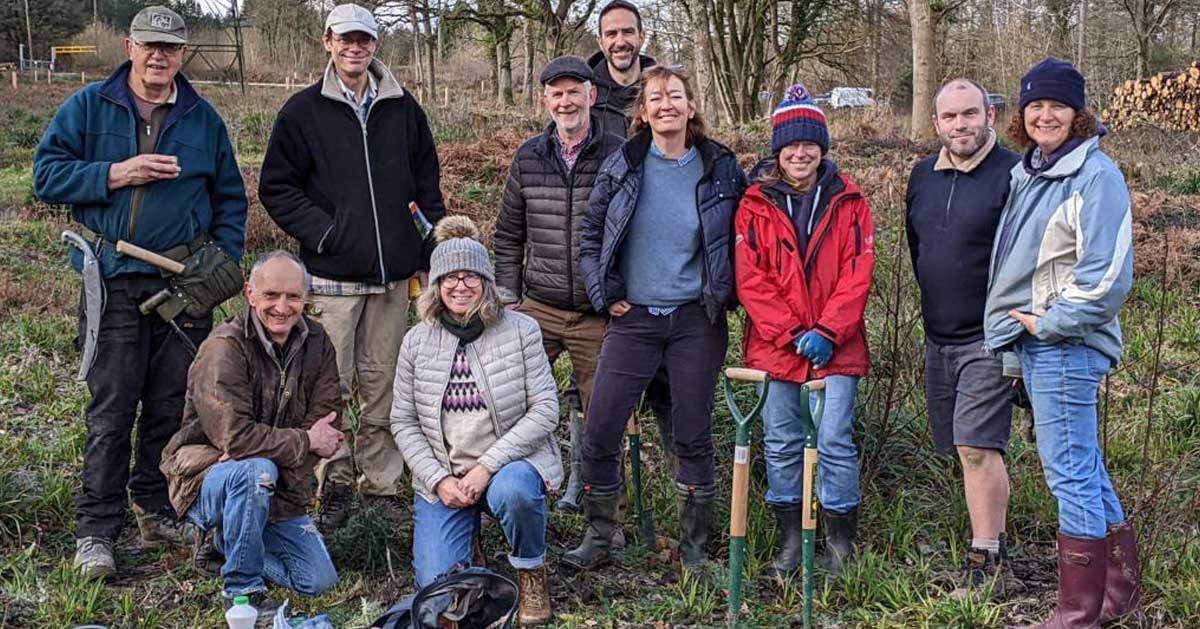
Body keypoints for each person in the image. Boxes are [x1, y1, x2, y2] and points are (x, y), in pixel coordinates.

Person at [32, 5, 247, 578]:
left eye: (170, 48)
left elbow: (231, 199)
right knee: (111, 408)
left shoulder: (203, 119)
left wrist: (224, 261)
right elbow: (45, 174)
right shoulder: (88, 107)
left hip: (182, 288)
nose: (159, 56)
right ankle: (97, 530)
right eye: (149, 45)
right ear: (130, 46)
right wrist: (113, 174)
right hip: (114, 281)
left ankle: (153, 506)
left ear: (182, 55)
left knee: (168, 406)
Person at [259, 3, 446, 529]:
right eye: (346, 39)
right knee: (331, 384)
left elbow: (427, 185)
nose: (355, 48)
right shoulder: (302, 112)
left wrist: (427, 249)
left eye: (364, 39)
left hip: (392, 280)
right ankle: (334, 479)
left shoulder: (403, 109)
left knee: (384, 381)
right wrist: (327, 232)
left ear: (374, 45)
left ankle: (383, 483)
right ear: (328, 42)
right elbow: (276, 187)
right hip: (332, 280)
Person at [565, 65, 746, 572]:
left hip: (695, 321)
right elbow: (592, 236)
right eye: (655, 97)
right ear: (641, 112)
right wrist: (605, 292)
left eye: (676, 96)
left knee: (691, 433)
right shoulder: (623, 164)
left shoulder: (721, 167)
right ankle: (600, 535)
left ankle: (692, 549)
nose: (666, 104)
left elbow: (742, 239)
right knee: (600, 430)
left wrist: (727, 294)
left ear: (692, 106)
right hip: (635, 320)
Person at [985, 58, 1141, 627]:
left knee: (1068, 472)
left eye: (1057, 105)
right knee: (1085, 465)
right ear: (1022, 116)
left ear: (1078, 114)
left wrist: (1046, 325)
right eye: (1035, 106)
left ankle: (1077, 612)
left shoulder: (1095, 177)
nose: (1045, 114)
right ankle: (1116, 595)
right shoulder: (1031, 172)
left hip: (1063, 345)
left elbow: (1107, 277)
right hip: (1037, 343)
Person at [390, 216, 561, 626]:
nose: (460, 285)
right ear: (436, 284)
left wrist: (487, 467)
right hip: (447, 475)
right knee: (435, 584)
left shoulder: (521, 331)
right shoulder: (417, 340)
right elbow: (403, 420)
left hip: (506, 467)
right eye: (450, 276)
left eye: (470, 276)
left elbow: (545, 410)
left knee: (516, 492)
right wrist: (437, 479)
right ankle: (470, 544)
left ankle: (531, 570)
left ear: (486, 281)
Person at [734, 84, 875, 578]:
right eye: (791, 145)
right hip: (776, 347)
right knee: (781, 441)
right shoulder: (755, 203)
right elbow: (750, 277)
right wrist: (792, 331)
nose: (801, 153)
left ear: (823, 147)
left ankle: (840, 544)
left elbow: (860, 270)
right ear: (778, 150)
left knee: (835, 439)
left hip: (837, 347)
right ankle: (792, 539)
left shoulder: (850, 200)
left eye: (810, 144)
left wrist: (829, 330)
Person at [160, 252, 343, 619]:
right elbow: (238, 438)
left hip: (280, 487)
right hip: (207, 479)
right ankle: (243, 588)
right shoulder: (224, 347)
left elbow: (330, 427)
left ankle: (228, 542)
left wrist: (282, 446)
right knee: (253, 469)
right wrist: (303, 441)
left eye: (293, 296)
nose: (282, 306)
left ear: (305, 298)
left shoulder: (317, 341)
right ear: (250, 294)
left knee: (318, 581)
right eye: (271, 295)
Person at [492, 56, 625, 513]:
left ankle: (603, 516)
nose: (566, 101)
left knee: (603, 418)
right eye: (557, 93)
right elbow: (509, 234)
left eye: (574, 92)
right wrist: (507, 297)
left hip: (596, 310)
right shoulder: (530, 156)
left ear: (591, 96)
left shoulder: (617, 153)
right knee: (512, 400)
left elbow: (633, 230)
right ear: (545, 100)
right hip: (539, 306)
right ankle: (520, 496)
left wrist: (619, 291)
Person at [906, 79, 1021, 594]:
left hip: (990, 336)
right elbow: (918, 247)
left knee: (978, 446)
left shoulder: (1015, 174)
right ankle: (991, 535)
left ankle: (988, 561)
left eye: (970, 114)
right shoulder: (922, 175)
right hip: (939, 335)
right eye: (950, 117)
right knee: (961, 446)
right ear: (936, 124)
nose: (961, 125)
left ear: (989, 116)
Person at [587, 0, 657, 138]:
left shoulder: (663, 91)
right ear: (600, 42)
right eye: (611, 34)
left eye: (628, 32)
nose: (620, 42)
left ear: (641, 37)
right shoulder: (584, 96)